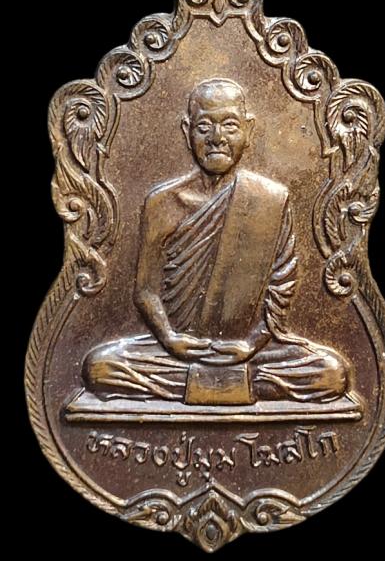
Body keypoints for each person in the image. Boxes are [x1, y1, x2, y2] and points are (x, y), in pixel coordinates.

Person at [83, 78, 352, 404]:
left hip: (249, 350)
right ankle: (232, 385)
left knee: (332, 372)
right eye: (204, 127)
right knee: (99, 367)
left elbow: (281, 286)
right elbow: (145, 291)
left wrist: (250, 344)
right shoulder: (162, 202)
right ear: (187, 131)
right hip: (176, 350)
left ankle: (207, 383)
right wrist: (170, 339)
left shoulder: (270, 199)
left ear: (248, 130)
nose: (216, 138)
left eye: (230, 125)